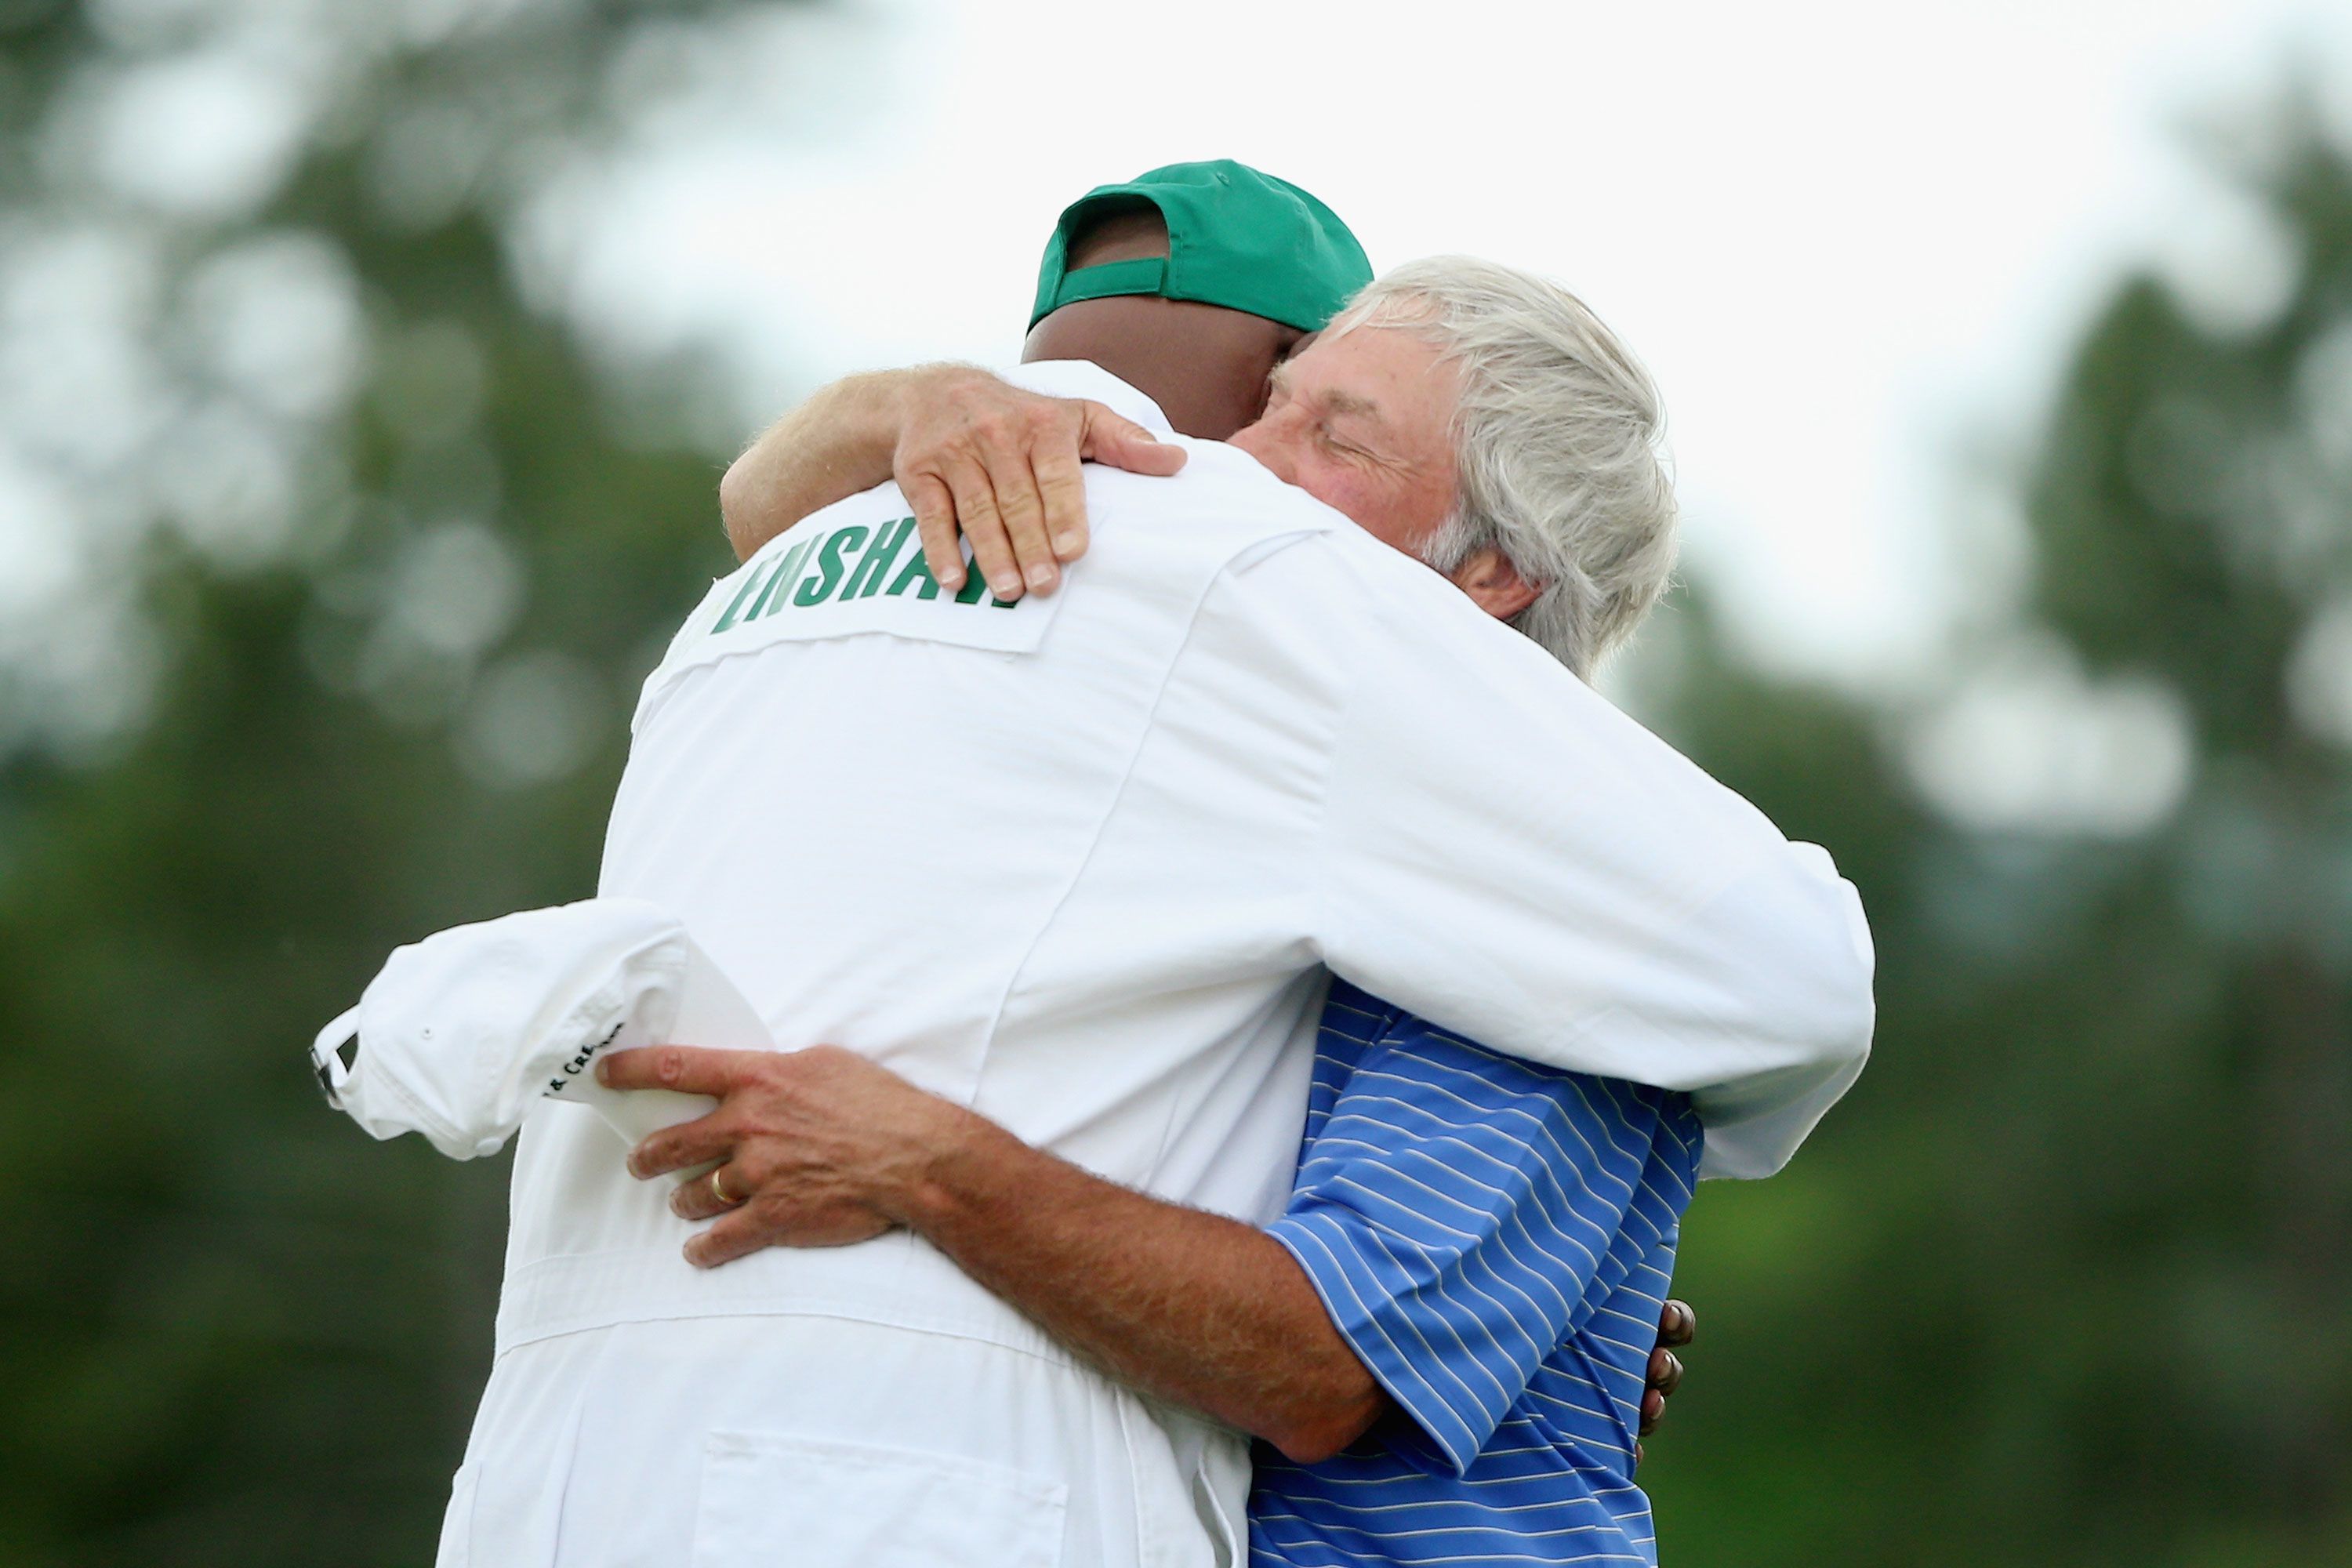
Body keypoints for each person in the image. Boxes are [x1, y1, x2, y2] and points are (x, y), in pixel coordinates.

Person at [425, 161, 1873, 1568]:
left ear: (1497, 577)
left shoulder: (1559, 930)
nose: (1235, 475)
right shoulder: (1255, 750)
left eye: (1327, 433)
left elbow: (1325, 1364)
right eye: (1271, 413)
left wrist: (931, 1164)